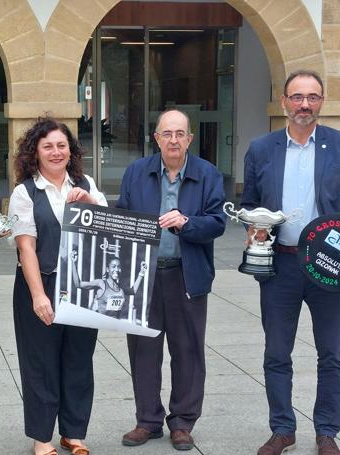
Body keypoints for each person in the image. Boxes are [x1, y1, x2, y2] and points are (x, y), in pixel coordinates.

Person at [240, 70, 340, 455]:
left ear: (322, 102)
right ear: (283, 102)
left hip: (329, 268)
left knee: (332, 353)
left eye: (312, 97)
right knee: (277, 352)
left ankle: (327, 431)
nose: (304, 105)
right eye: (297, 97)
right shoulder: (261, 148)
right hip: (279, 266)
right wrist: (253, 227)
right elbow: (249, 204)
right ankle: (283, 429)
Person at [117, 108, 226, 451]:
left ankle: (182, 422)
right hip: (144, 276)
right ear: (157, 138)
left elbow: (218, 223)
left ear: (189, 139)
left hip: (186, 275)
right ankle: (147, 420)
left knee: (188, 351)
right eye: (167, 134)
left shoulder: (207, 174)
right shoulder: (136, 172)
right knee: (143, 351)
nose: (174, 140)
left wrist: (187, 223)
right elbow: (122, 216)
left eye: (180, 134)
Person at [8, 117, 107, 455]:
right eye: (47, 145)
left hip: (83, 285)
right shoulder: (25, 192)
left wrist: (91, 204)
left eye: (61, 145)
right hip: (42, 284)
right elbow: (26, 248)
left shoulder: (87, 183)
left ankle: (74, 433)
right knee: (41, 363)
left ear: (70, 150)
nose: (55, 151)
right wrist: (38, 295)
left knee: (79, 360)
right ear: (35, 152)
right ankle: (42, 438)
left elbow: (111, 230)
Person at [70, 251, 147, 319]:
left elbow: (133, 291)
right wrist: (73, 263)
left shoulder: (120, 288)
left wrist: (141, 273)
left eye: (118, 267)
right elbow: (78, 284)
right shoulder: (101, 283)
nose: (116, 270)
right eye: (113, 267)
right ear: (107, 269)